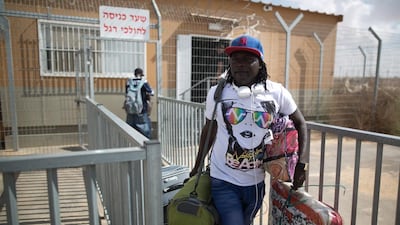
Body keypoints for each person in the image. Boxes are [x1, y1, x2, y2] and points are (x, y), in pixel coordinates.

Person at [189, 35, 308, 225]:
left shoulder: (276, 92)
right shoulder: (217, 93)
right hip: (223, 179)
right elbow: (209, 130)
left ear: (260, 64)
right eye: (235, 59)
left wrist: (301, 165)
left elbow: (300, 123)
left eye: (248, 59)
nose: (240, 64)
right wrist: (197, 166)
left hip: (256, 182)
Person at [125, 68, 154, 138]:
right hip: (141, 110)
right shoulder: (143, 81)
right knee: (145, 132)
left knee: (130, 131)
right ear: (141, 74)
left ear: (135, 73)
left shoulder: (129, 81)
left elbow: (126, 93)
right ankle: (145, 147)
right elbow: (151, 92)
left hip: (130, 110)